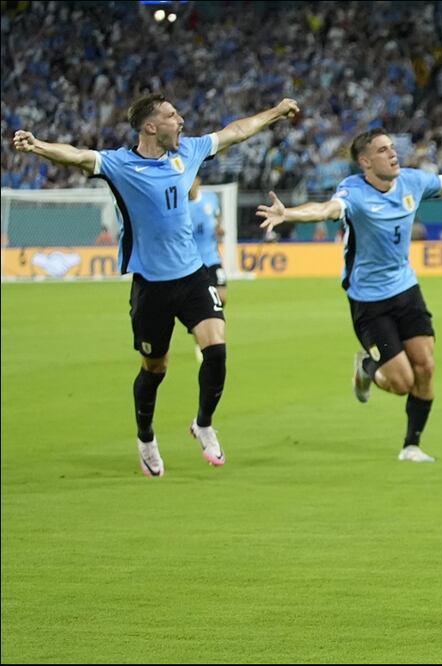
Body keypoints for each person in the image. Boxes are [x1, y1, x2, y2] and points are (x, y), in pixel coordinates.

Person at [12, 92, 299, 477]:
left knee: (216, 351)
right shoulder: (120, 164)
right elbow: (78, 155)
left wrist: (276, 113)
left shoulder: (189, 153)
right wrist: (38, 146)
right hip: (152, 286)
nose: (180, 120)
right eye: (171, 115)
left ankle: (204, 423)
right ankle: (145, 437)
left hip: (193, 275)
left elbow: (235, 132)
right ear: (151, 126)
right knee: (155, 367)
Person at [256, 128, 442, 462]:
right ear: (365, 162)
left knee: (426, 367)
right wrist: (288, 214)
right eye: (382, 150)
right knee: (402, 381)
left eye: (392, 148)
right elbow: (326, 209)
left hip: (406, 290)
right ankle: (367, 368)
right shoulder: (354, 193)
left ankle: (411, 446)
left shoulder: (412, 182)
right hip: (369, 302)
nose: (393, 154)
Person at [189, 174, 225, 363]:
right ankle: (200, 341)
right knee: (204, 303)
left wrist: (220, 230)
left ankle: (209, 329)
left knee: (222, 296)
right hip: (194, 262)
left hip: (212, 257)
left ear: (199, 181)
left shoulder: (211, 199)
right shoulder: (182, 206)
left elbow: (216, 220)